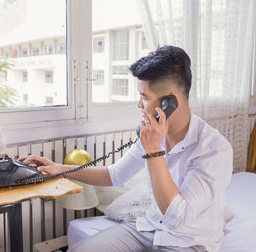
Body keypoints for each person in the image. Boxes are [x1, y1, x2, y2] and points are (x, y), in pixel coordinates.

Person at [19, 45, 233, 252]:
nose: (139, 104)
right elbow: (116, 175)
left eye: (144, 96)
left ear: (170, 101)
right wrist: (60, 169)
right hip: (149, 227)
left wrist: (153, 153)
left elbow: (177, 216)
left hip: (189, 240)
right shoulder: (152, 133)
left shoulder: (214, 149)